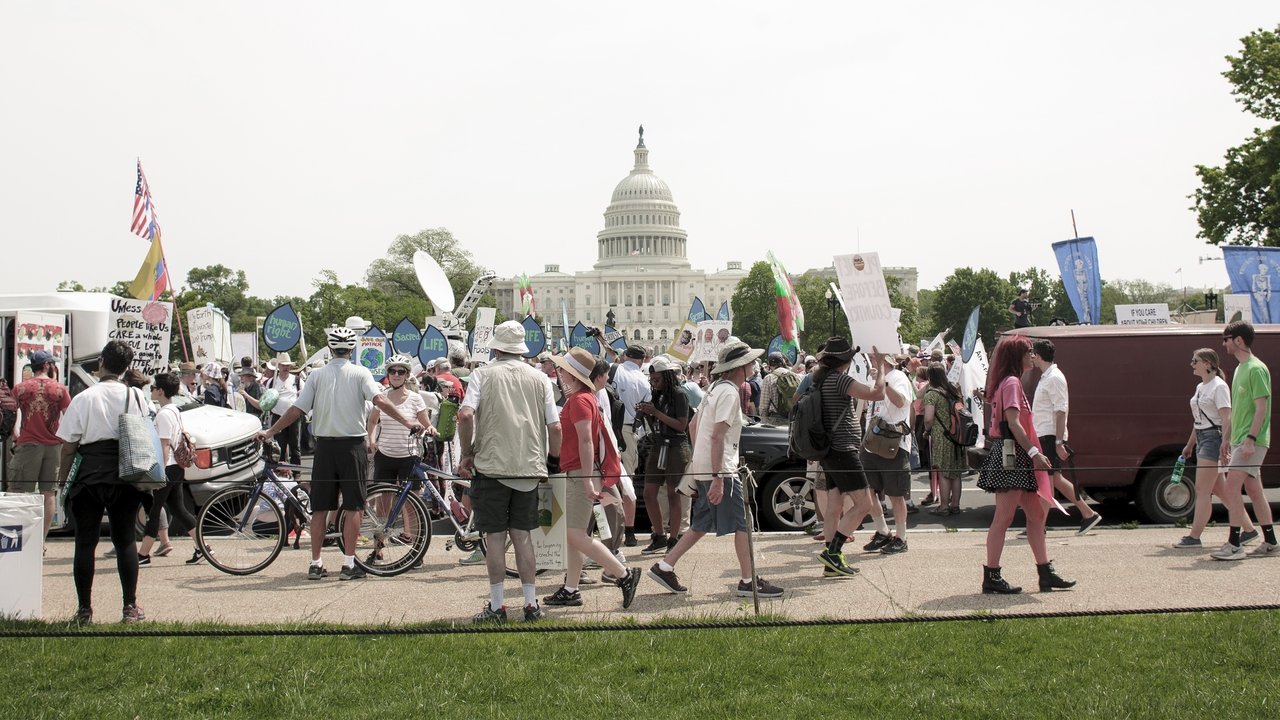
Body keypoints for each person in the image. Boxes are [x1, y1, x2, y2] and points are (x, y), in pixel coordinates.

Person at [257, 327, 423, 581]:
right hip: (352, 446)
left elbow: (297, 409)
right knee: (354, 506)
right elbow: (381, 401)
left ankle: (315, 562)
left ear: (331, 348)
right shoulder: (360, 373)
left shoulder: (317, 375)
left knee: (320, 507)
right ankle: (348, 564)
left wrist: (271, 431)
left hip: (324, 446)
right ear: (352, 349)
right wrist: (408, 422)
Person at [647, 340, 784, 598]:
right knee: (744, 523)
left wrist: (701, 464)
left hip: (705, 466)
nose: (755, 365)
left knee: (701, 523)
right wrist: (718, 477)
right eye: (751, 362)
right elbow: (717, 436)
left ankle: (664, 566)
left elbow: (693, 427)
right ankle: (747, 581)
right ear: (740, 367)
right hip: (719, 469)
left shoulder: (714, 388)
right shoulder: (730, 392)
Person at [457, 321, 563, 622]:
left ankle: (497, 605)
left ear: (496, 347)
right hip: (529, 465)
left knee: (494, 538)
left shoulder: (482, 374)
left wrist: (466, 453)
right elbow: (554, 426)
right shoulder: (540, 378)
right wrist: (552, 461)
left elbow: (465, 415)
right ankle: (531, 603)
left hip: (491, 466)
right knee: (523, 537)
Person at [55, 341, 152, 624]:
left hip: (89, 475)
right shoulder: (136, 396)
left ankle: (84, 610)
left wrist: (63, 479)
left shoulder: (84, 397)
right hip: (126, 473)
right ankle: (130, 608)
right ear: (127, 367)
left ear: (101, 363)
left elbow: (68, 445)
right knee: (125, 542)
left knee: (85, 543)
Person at [541, 347, 642, 610]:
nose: (559, 372)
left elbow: (586, 440)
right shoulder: (586, 398)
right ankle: (571, 589)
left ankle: (623, 574)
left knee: (574, 534)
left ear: (571, 374)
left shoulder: (579, 400)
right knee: (574, 534)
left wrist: (586, 478)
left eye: (563, 369)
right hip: (579, 473)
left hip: (579, 474)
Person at [976, 334, 1075, 594]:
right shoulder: (1012, 383)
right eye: (1029, 351)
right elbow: (1013, 422)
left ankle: (1045, 573)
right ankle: (992, 576)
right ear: (1017, 355)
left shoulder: (1009, 382)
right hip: (1013, 453)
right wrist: (1033, 452)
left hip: (1014, 453)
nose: (1033, 355)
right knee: (1004, 517)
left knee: (1036, 515)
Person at [810, 339, 889, 575]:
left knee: (834, 506)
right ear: (844, 360)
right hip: (844, 450)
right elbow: (877, 393)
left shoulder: (821, 379)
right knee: (864, 503)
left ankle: (831, 563)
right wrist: (881, 366)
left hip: (829, 451)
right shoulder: (840, 380)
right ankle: (833, 553)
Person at [1173, 348, 1254, 549]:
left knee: (1202, 489)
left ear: (1208, 364)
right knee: (1221, 489)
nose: (1192, 364)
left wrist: (1225, 444)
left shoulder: (1219, 387)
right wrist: (1190, 444)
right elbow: (1198, 420)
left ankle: (1195, 535)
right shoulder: (1201, 386)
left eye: (1195, 361)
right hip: (1203, 437)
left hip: (1214, 439)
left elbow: (1227, 418)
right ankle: (1250, 530)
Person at [1211, 321, 1278, 559]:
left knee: (1230, 487)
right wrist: (1227, 439)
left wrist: (1250, 439)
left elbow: (1262, 409)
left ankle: (1235, 544)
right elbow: (1239, 410)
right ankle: (1270, 541)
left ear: (1238, 340)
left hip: (1252, 441)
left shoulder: (1255, 369)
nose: (1224, 343)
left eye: (1226, 338)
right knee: (1253, 489)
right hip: (1242, 440)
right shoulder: (1240, 369)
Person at [1030, 340, 1102, 534]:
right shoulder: (1048, 376)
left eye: (1032, 353)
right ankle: (1088, 514)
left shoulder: (1053, 377)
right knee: (1054, 479)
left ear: (1037, 355)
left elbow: (1061, 411)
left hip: (1050, 435)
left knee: (1047, 481)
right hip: (1047, 434)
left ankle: (1039, 526)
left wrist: (1059, 441)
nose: (1031, 357)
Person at [137, 373, 202, 566]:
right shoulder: (173, 410)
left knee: (155, 511)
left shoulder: (164, 414)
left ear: (161, 391)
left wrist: (160, 473)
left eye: (154, 387)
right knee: (178, 509)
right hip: (177, 467)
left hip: (169, 467)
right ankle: (202, 547)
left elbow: (164, 445)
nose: (152, 390)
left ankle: (143, 555)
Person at [8, 349, 71, 540]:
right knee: (48, 493)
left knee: (20, 492)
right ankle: (40, 541)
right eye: (52, 364)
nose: (54, 367)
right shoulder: (60, 389)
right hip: (53, 447)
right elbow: (69, 416)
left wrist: (15, 433)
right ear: (46, 365)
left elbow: (10, 413)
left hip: (27, 445)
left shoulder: (21, 388)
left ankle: (17, 538)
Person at [860, 352, 915, 554]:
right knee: (869, 489)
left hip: (893, 442)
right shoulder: (872, 376)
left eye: (874, 358)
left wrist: (883, 382)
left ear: (886, 360)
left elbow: (901, 402)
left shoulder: (898, 377)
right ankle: (883, 531)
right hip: (872, 440)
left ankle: (902, 537)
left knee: (896, 493)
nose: (871, 361)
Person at [637, 355, 691, 554]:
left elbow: (681, 425)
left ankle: (673, 539)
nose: (654, 383)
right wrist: (648, 413)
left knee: (672, 495)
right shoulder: (658, 395)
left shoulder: (679, 394)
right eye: (652, 380)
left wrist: (656, 412)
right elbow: (659, 423)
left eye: (657, 379)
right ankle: (659, 535)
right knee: (649, 493)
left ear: (667, 377)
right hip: (659, 445)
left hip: (676, 448)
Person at [921, 362, 966, 516]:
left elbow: (928, 419)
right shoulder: (953, 391)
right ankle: (955, 505)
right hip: (957, 436)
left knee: (943, 472)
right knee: (955, 472)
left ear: (930, 377)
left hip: (942, 436)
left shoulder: (932, 394)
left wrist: (927, 431)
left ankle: (944, 506)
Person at [268, 353, 304, 466]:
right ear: (278, 366)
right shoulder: (271, 382)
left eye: (287, 365)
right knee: (279, 447)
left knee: (295, 447)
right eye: (283, 365)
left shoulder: (297, 380)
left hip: (294, 418)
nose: (286, 367)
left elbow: (303, 397)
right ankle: (281, 473)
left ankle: (296, 472)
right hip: (278, 417)